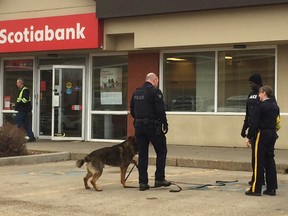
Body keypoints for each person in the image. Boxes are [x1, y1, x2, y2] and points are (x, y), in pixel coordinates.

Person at [130, 72, 171, 191]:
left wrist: (140, 119)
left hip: (139, 127)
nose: (157, 84)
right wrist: (165, 123)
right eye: (157, 82)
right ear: (154, 80)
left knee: (143, 154)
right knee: (162, 150)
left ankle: (142, 183)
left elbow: (132, 110)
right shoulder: (155, 92)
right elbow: (160, 110)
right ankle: (159, 178)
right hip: (152, 126)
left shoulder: (136, 92)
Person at [245, 86, 279, 196]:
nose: (258, 96)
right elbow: (277, 121)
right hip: (272, 133)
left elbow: (254, 122)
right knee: (269, 160)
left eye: (259, 94)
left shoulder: (260, 106)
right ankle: (271, 188)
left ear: (264, 93)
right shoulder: (275, 106)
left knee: (258, 161)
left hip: (262, 134)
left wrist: (249, 137)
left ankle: (255, 189)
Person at [241, 73, 263, 186]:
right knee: (255, 157)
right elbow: (247, 114)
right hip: (252, 129)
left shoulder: (264, 95)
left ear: (258, 83)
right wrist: (244, 128)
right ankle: (256, 177)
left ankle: (259, 179)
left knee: (261, 157)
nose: (250, 85)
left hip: (260, 131)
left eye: (252, 83)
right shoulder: (250, 95)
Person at [15, 78, 36, 142]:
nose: (16, 84)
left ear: (21, 83)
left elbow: (25, 100)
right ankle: (32, 137)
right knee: (26, 124)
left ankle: (15, 138)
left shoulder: (25, 90)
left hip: (23, 110)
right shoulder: (21, 90)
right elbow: (21, 99)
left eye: (17, 83)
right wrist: (16, 104)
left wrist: (18, 104)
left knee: (18, 124)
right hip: (24, 110)